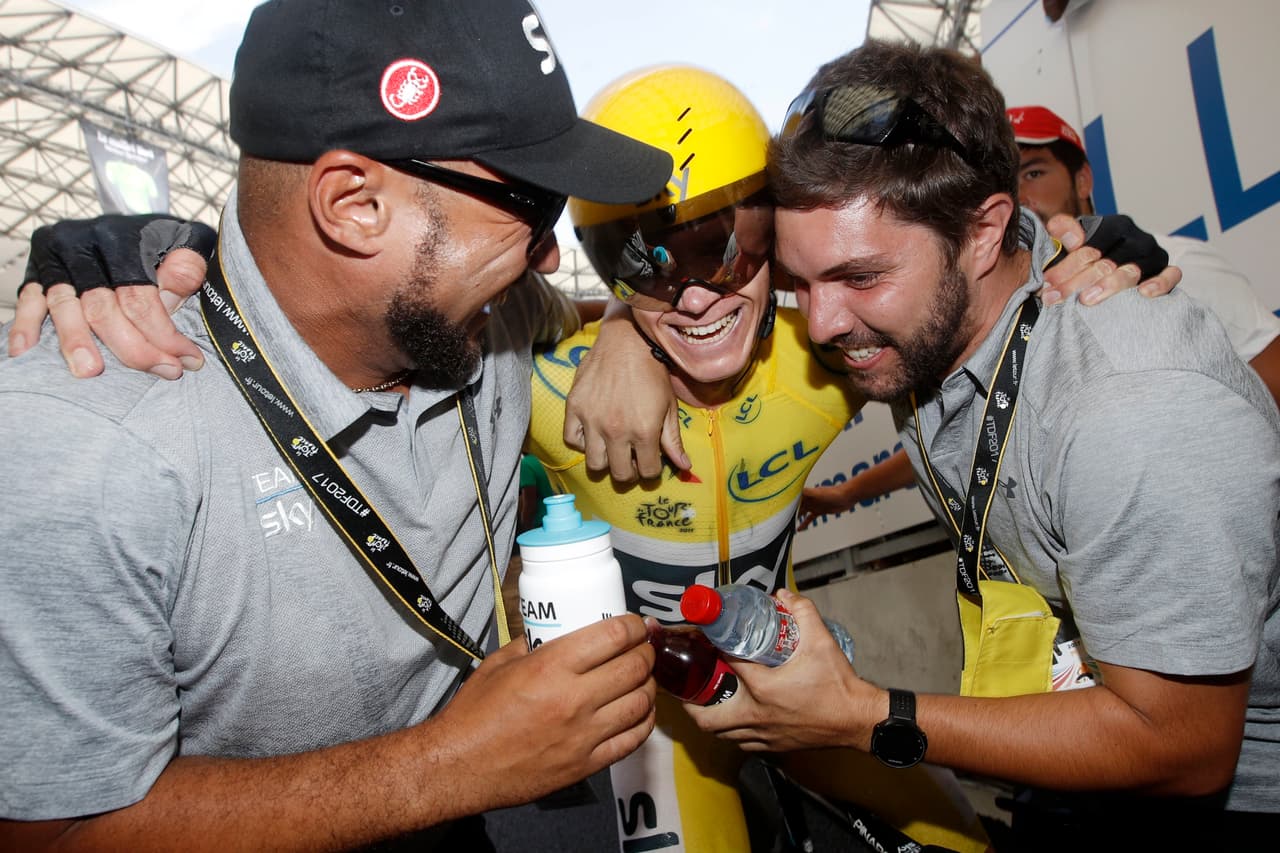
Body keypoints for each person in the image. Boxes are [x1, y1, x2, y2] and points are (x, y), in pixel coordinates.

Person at [0, 0, 675, 849]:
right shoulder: (89, 445)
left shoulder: (485, 312)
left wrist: (628, 330)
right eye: (533, 204)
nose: (548, 252)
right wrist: (454, 762)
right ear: (353, 204)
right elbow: (51, 835)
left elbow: (582, 306)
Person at [683, 38, 1280, 851]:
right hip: (1070, 765)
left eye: (859, 277)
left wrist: (867, 716)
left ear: (983, 231)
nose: (819, 323)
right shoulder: (927, 327)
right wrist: (617, 337)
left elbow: (1185, 745)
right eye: (800, 284)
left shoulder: (1126, 404)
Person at [796, 101, 1280, 531]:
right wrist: (846, 494)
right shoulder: (1001, 315)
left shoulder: (1169, 266)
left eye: (1035, 173)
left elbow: (1264, 377)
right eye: (1011, 179)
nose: (1023, 196)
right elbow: (984, 440)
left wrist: (1177, 430)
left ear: (1083, 180)